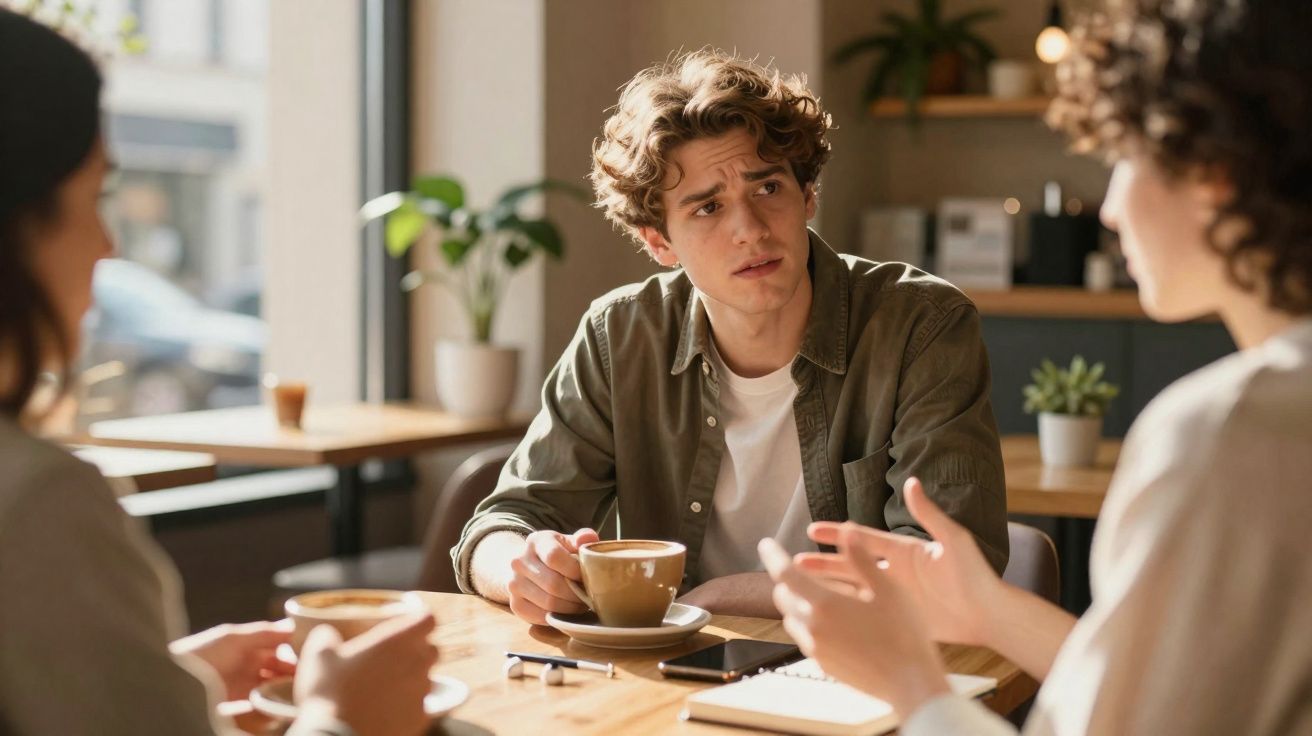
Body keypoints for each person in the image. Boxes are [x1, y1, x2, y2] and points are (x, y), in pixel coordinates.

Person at [761, 0, 1312, 733]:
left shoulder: (1228, 433)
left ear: (1211, 169)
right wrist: (986, 610)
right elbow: (1181, 691)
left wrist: (912, 686)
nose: (1110, 209)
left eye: (1123, 159)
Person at [452, 48, 1010, 625]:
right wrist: (521, 566)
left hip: (865, 671)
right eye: (708, 208)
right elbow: (504, 522)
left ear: (808, 195)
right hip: (668, 680)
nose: (750, 231)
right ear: (658, 242)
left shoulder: (922, 325)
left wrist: (718, 598)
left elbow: (950, 565)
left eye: (767, 189)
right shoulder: (618, 337)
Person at [0, 10, 437, 735]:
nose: (108, 245)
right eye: (95, 198)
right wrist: (341, 717)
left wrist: (169, 678)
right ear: (17, 223)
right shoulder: (36, 503)